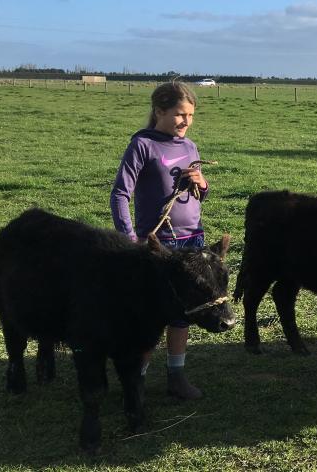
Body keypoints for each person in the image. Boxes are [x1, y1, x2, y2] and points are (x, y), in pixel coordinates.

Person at [110, 81, 210, 400]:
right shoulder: (143, 145)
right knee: (150, 315)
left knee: (183, 314)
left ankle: (176, 377)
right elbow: (120, 194)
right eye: (180, 115)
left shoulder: (190, 146)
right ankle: (135, 381)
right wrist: (130, 239)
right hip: (158, 245)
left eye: (191, 116)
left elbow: (199, 195)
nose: (185, 122)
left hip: (192, 241)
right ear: (159, 111)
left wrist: (201, 184)